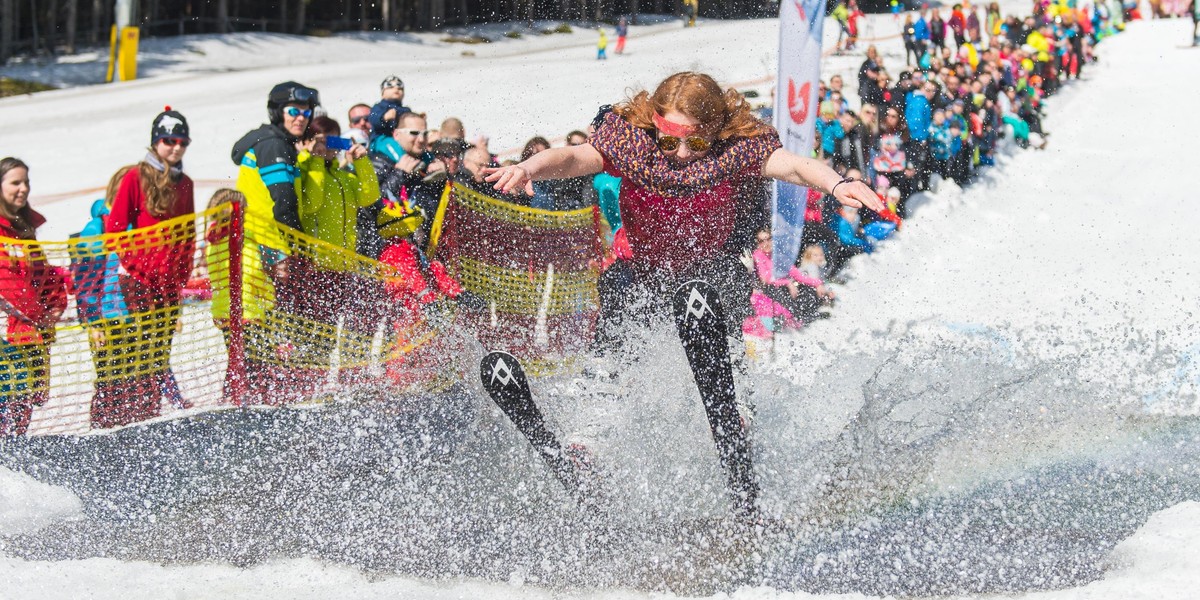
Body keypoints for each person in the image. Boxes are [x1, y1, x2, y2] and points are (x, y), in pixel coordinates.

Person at [483, 71, 881, 340]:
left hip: (707, 265)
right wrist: (528, 167)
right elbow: (572, 158)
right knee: (619, 291)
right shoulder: (633, 143)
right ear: (655, 124)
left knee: (726, 281)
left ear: (715, 131)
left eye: (697, 142)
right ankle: (602, 393)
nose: (682, 153)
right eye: (670, 141)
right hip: (644, 266)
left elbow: (793, 166)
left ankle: (733, 392)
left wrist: (837, 183)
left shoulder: (734, 148)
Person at [103, 108, 196, 426]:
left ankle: (151, 412)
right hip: (139, 280)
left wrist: (181, 273)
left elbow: (188, 232)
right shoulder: (135, 176)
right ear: (156, 142)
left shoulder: (185, 184)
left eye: (182, 142)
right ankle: (131, 413)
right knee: (142, 347)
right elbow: (114, 227)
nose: (175, 148)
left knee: (160, 349)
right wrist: (133, 261)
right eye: (169, 141)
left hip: (168, 283)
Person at [0, 157, 68, 436]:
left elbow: (45, 274)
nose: (23, 189)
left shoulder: (24, 229)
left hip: (31, 333)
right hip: (13, 333)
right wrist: (40, 316)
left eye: (26, 182)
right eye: (16, 182)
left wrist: (56, 303)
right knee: (11, 395)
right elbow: (8, 283)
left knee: (26, 400)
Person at [367, 75, 409, 140]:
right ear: (382, 93)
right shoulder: (378, 107)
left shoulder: (406, 110)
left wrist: (418, 119)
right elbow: (373, 119)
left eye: (400, 88)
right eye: (391, 87)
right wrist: (384, 117)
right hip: (381, 139)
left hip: (399, 139)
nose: (396, 89)